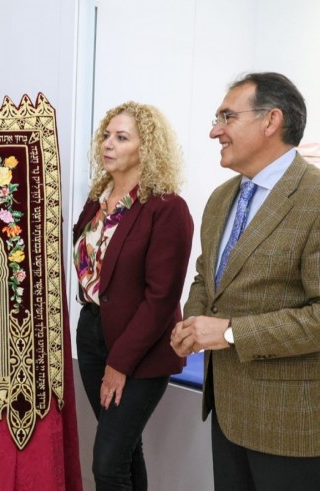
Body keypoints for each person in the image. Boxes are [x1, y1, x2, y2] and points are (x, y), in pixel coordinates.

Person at [171, 72, 320, 489]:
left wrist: (233, 333)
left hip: (291, 426)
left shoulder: (314, 199)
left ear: (271, 121)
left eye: (227, 117)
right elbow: (207, 276)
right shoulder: (222, 198)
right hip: (227, 414)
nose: (215, 130)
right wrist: (194, 321)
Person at [72, 101, 193, 490]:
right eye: (107, 135)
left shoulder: (167, 209)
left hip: (141, 346)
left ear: (147, 148)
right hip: (92, 334)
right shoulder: (97, 202)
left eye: (122, 137)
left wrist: (119, 363)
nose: (108, 144)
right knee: (125, 451)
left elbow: (161, 299)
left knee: (107, 464)